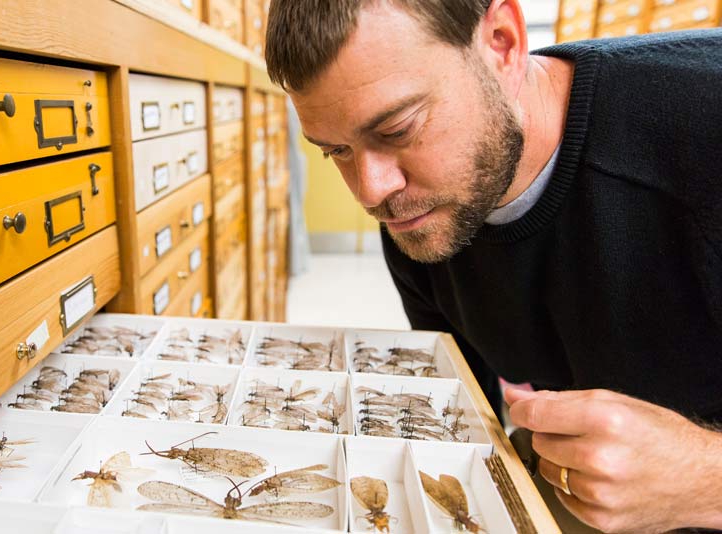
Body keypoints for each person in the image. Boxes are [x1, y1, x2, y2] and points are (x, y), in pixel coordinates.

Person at [264, 1, 722, 532]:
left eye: (397, 129)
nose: (371, 191)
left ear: (502, 45)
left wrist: (703, 476)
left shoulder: (704, 129)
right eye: (336, 151)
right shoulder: (419, 212)